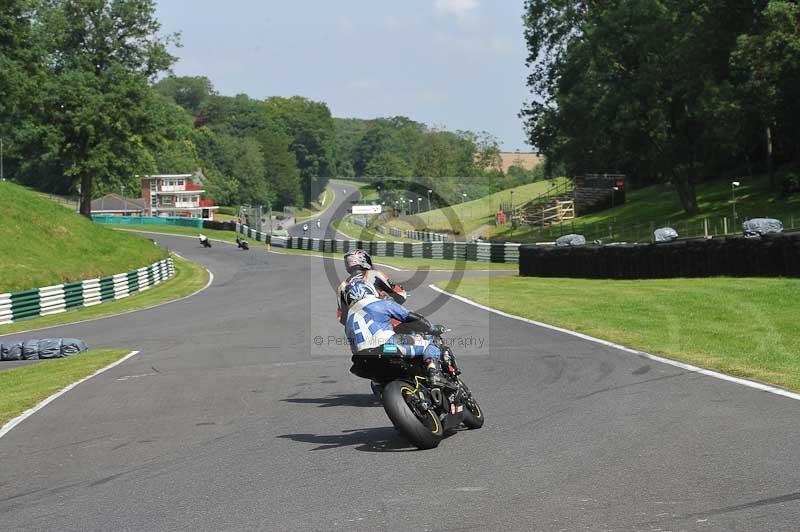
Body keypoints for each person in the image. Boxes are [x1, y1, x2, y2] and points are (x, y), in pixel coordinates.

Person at [343, 279, 446, 387]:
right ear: (369, 290)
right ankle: (434, 373)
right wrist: (432, 328)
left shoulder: (348, 320)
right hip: (387, 347)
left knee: (375, 381)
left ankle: (381, 387)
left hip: (360, 360)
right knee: (431, 340)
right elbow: (410, 317)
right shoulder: (380, 304)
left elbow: (354, 347)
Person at [336, 249, 406, 326]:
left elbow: (342, 317)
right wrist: (401, 292)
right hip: (381, 320)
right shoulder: (374, 274)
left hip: (358, 328)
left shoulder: (342, 287)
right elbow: (398, 294)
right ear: (363, 260)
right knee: (412, 324)